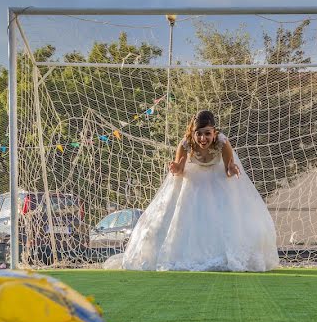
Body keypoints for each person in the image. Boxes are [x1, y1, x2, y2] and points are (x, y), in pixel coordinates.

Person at [105, 110, 279, 271]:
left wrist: (232, 169)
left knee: (222, 218)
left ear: (214, 132)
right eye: (199, 134)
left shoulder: (222, 143)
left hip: (216, 181)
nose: (203, 138)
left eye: (207, 134)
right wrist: (175, 167)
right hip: (193, 182)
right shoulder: (186, 144)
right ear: (193, 133)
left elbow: (227, 169)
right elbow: (180, 169)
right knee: (188, 217)